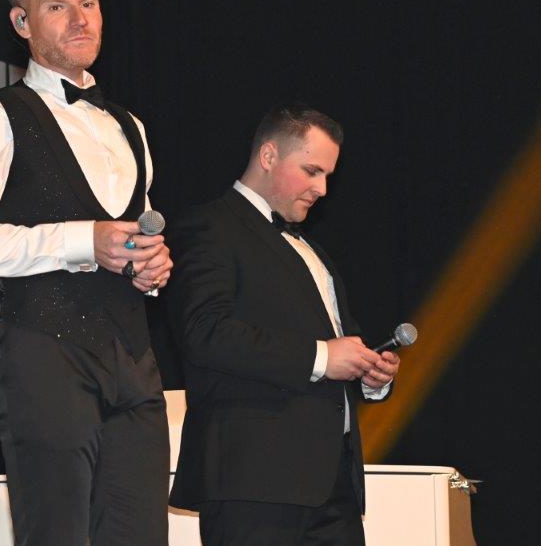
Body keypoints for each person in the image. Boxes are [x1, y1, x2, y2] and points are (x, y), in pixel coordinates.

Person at [0, 0, 172, 546]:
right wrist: (82, 240)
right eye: (57, 7)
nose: (80, 19)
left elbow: (127, 237)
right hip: (43, 352)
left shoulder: (130, 126)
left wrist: (148, 267)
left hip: (133, 362)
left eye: (88, 3)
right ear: (22, 23)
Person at [167, 102, 400, 545]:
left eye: (328, 175)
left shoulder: (311, 250)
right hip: (255, 481)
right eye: (312, 171)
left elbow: (339, 344)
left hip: (333, 487)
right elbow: (205, 333)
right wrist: (323, 357)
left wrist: (369, 372)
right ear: (269, 155)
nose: (322, 189)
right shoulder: (209, 226)